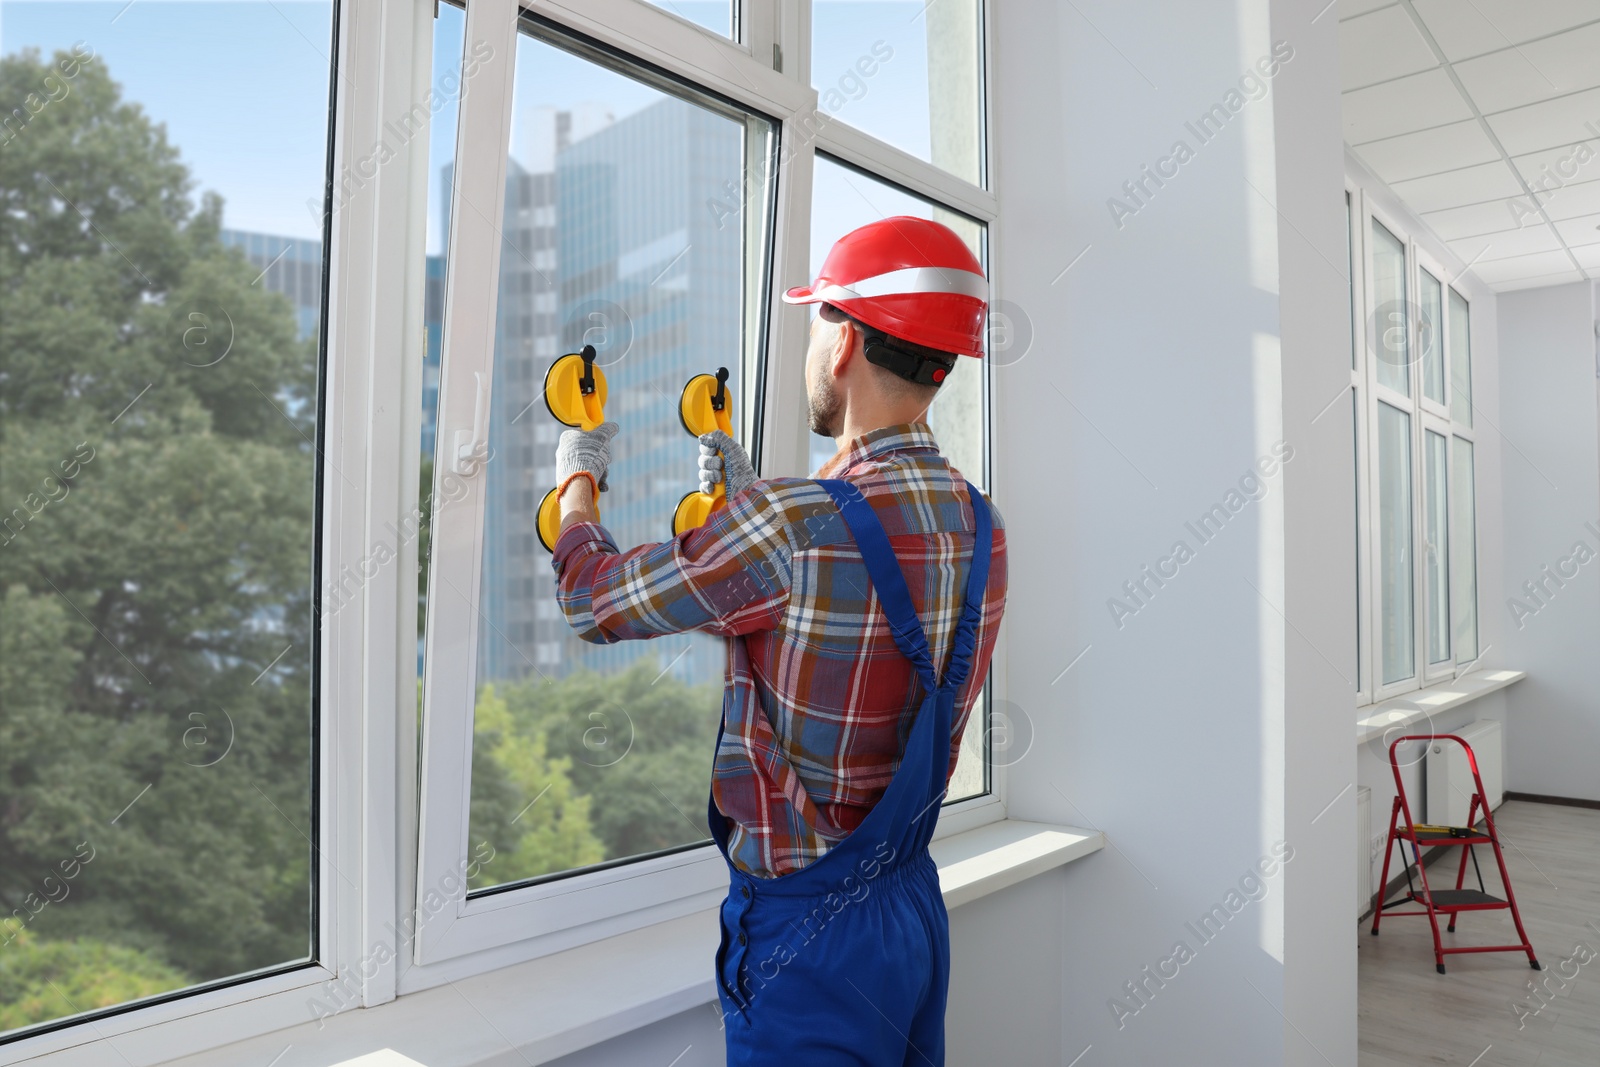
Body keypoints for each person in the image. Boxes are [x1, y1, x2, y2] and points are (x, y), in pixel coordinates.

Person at [548, 216, 1008, 1066]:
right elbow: (865, 593)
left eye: (818, 320)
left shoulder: (788, 526)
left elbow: (593, 599)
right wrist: (753, 502)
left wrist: (580, 477)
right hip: (908, 914)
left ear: (844, 344)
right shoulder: (981, 524)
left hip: (807, 934)